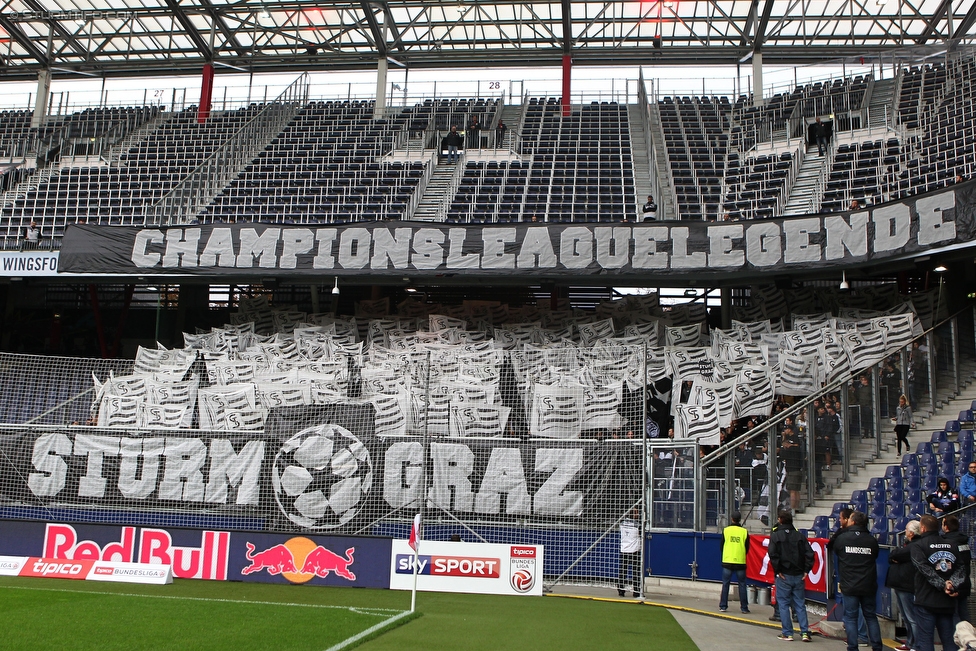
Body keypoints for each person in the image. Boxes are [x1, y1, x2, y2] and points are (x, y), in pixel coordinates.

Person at [829, 511, 883, 651]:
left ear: (852, 522)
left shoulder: (842, 539)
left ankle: (853, 647)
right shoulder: (871, 540)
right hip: (868, 584)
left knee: (851, 618)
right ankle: (877, 647)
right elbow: (875, 555)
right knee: (870, 617)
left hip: (849, 584)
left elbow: (835, 550)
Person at [911, 514, 965, 651]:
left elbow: (924, 568)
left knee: (925, 641)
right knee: (950, 641)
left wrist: (943, 584)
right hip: (947, 600)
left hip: (926, 600)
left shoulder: (918, 545)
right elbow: (961, 568)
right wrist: (952, 584)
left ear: (922, 529)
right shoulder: (951, 544)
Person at [768, 509, 814, 642]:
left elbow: (772, 554)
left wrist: (778, 570)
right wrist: (807, 570)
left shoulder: (776, 536)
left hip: (784, 575)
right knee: (800, 604)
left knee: (783, 604)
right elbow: (810, 554)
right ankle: (805, 632)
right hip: (799, 574)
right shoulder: (799, 536)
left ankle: (787, 633)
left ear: (780, 520)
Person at [886, 519, 920, 651]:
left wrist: (896, 558)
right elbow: (892, 557)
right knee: (906, 617)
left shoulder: (914, 546)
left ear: (911, 533)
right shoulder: (908, 545)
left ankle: (916, 644)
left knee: (911, 617)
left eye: (906, 530)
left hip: (907, 585)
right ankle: (910, 642)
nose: (905, 532)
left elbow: (896, 555)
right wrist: (895, 557)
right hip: (901, 584)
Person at [941, 514, 971, 623]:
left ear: (946, 527)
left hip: (953, 584)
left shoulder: (947, 543)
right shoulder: (964, 541)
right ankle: (969, 639)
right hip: (964, 582)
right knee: (964, 615)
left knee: (954, 616)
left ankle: (957, 640)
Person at [719, 511, 750, 613]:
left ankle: (723, 606)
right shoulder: (744, 532)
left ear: (732, 518)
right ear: (740, 519)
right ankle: (744, 608)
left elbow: (721, 546)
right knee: (742, 585)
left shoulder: (726, 530)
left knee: (725, 584)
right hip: (740, 561)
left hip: (727, 560)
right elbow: (747, 547)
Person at [618, 507, 641, 597]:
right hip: (634, 550)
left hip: (624, 549)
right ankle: (636, 590)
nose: (638, 514)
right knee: (636, 571)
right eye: (636, 513)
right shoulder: (637, 525)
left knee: (623, 571)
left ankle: (621, 589)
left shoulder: (622, 523)